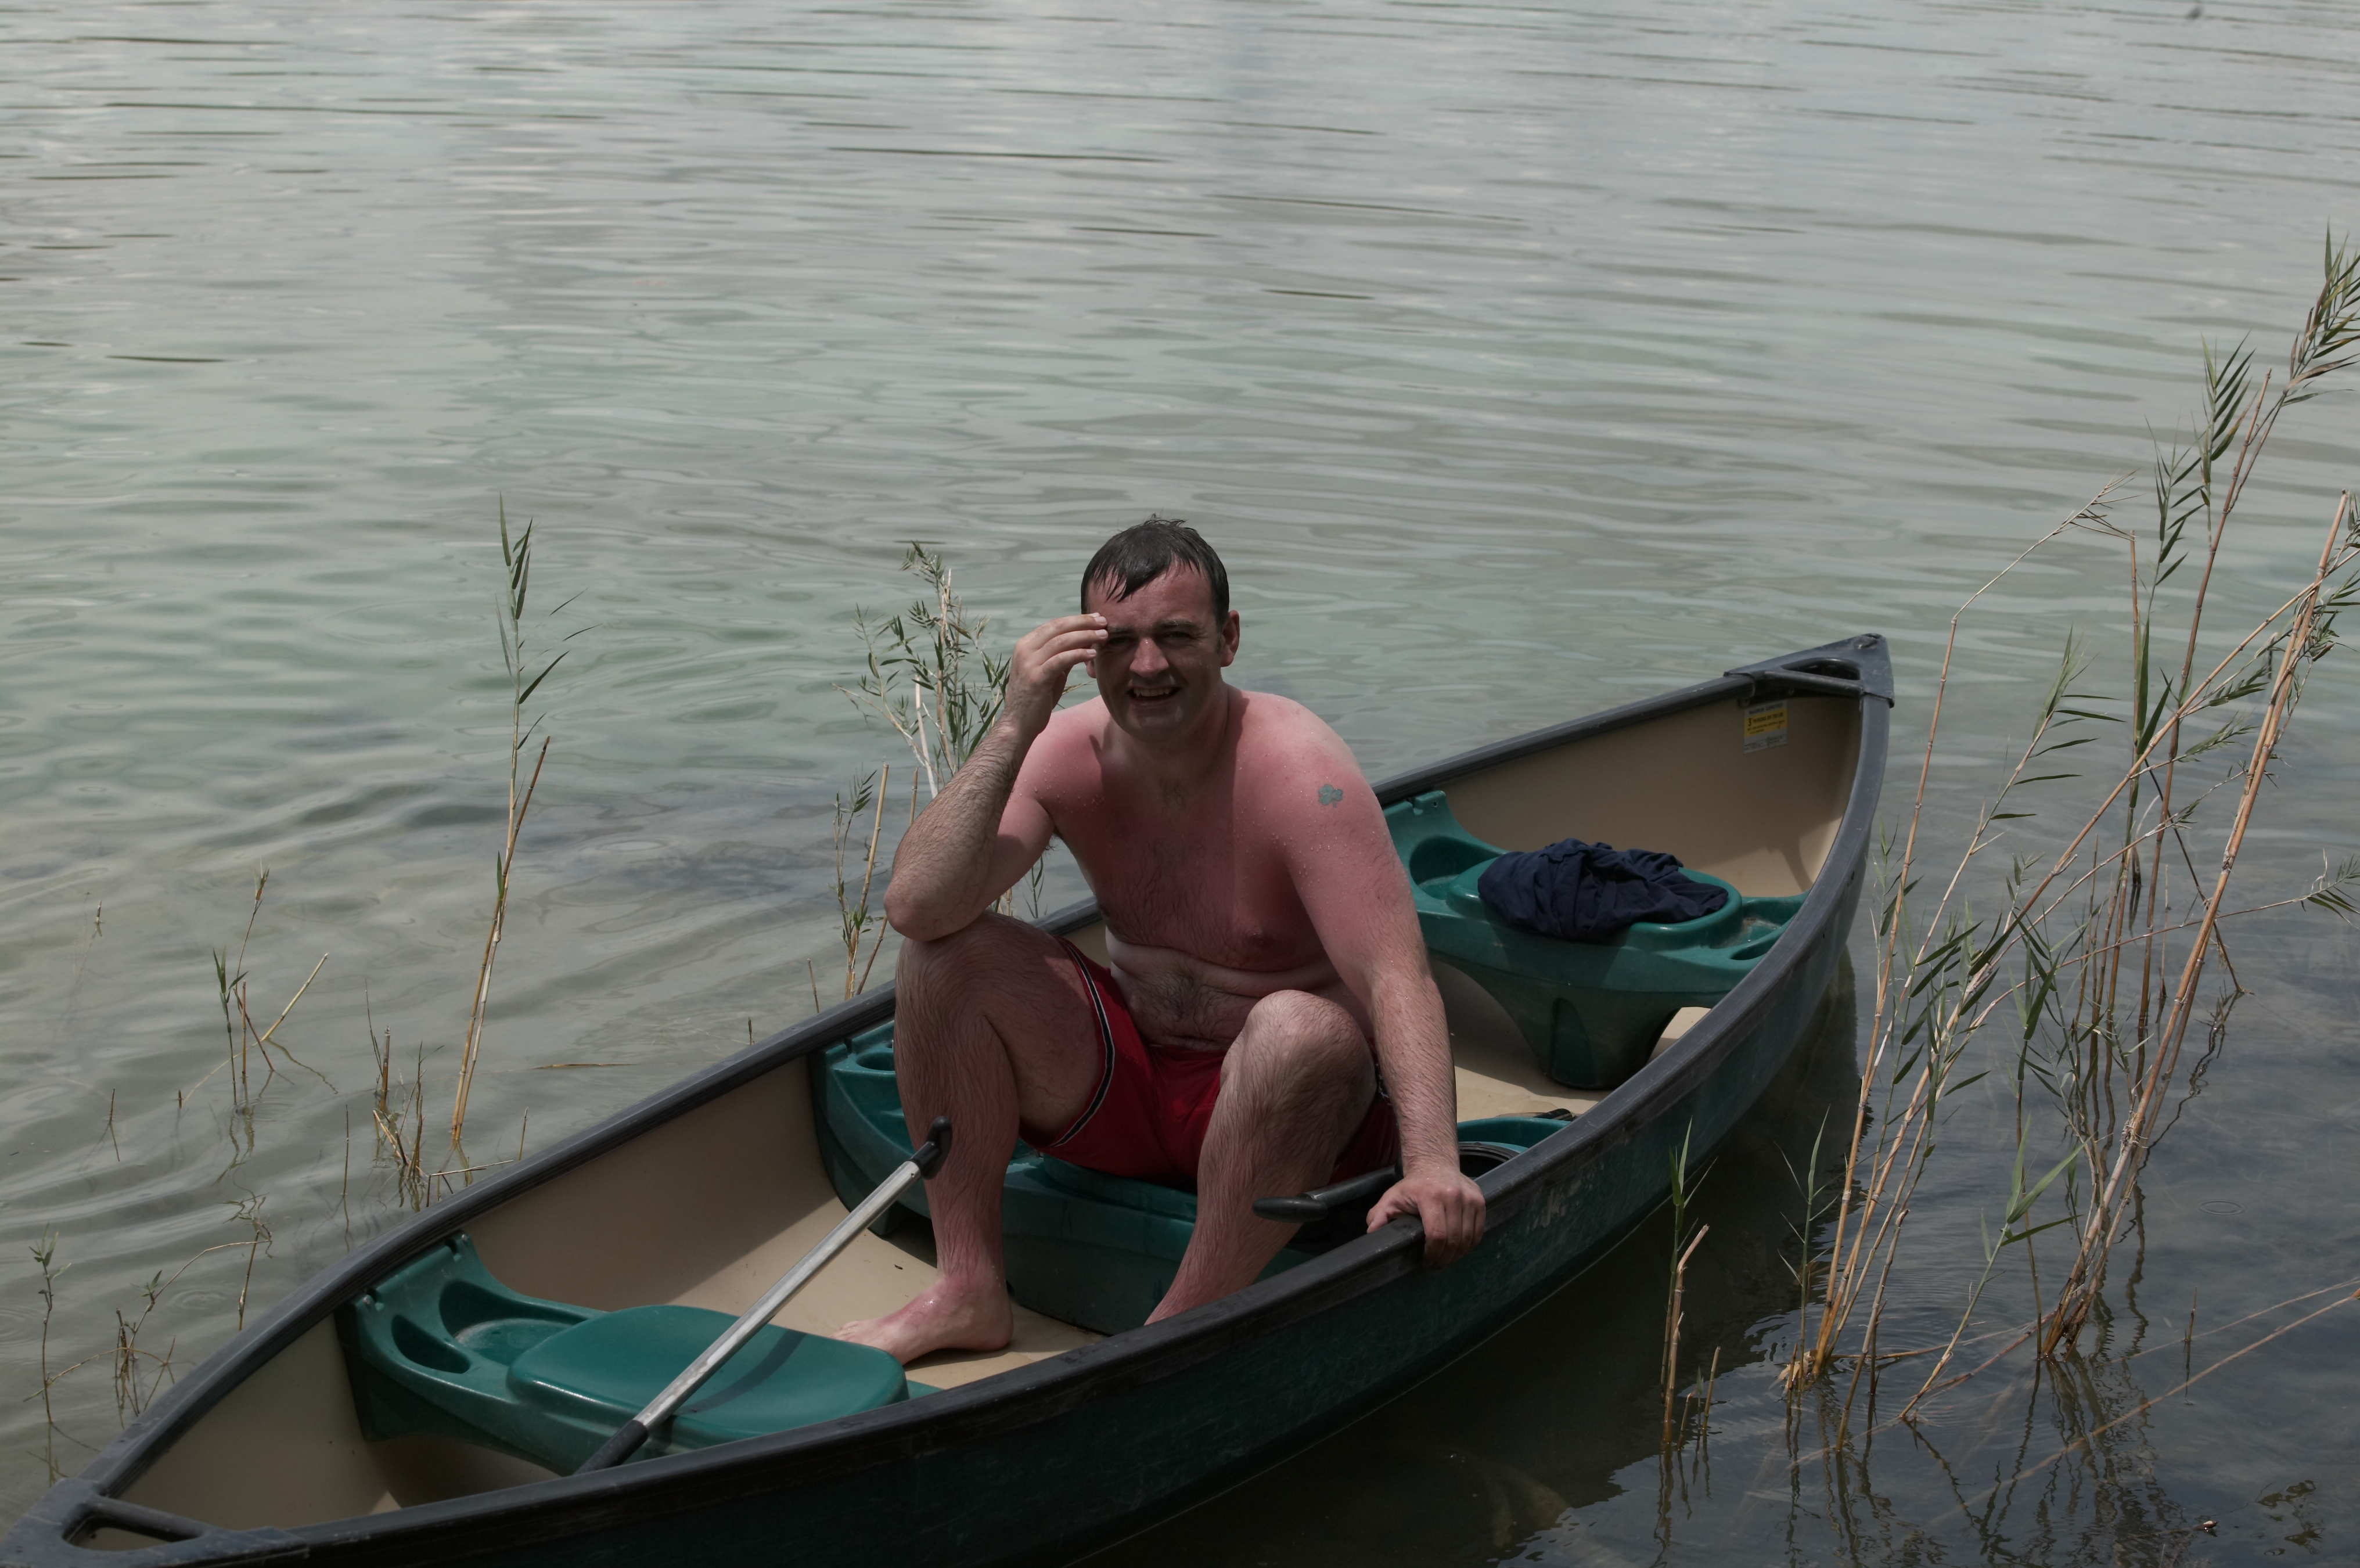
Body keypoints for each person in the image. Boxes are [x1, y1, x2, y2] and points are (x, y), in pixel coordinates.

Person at [841, 518, 1484, 1363]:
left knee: (1299, 1030)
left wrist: (1433, 1164)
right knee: (945, 957)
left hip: (1296, 1118)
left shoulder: (1300, 771)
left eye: (1177, 636)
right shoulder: (1066, 752)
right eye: (1119, 642)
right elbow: (918, 907)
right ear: (1085, 655)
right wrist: (1013, 723)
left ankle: (1176, 1331)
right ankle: (968, 1287)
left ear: (1228, 639)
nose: (1147, 667)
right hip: (1131, 1088)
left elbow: (1396, 975)